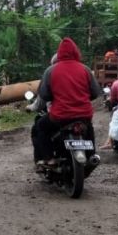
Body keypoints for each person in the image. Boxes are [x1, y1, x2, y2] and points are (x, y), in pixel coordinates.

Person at [32, 38, 101, 167]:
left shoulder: (51, 71)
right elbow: (95, 93)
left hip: (60, 116)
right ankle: (91, 155)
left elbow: (45, 95)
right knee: (88, 128)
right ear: (76, 52)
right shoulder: (85, 69)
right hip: (84, 114)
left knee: (40, 126)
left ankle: (49, 158)